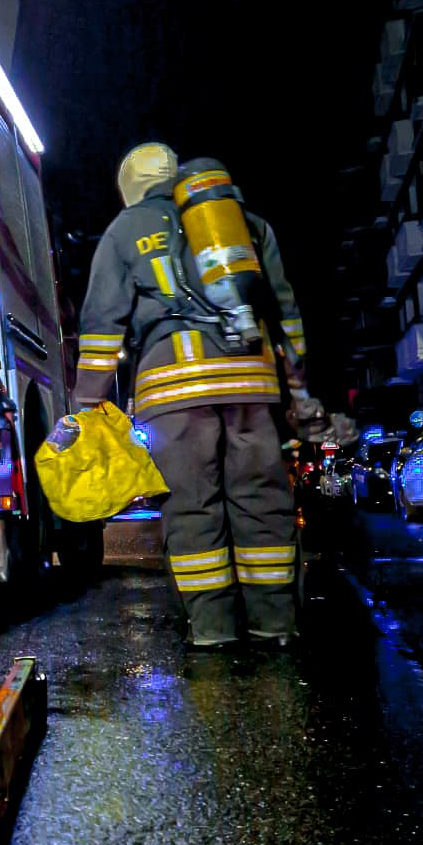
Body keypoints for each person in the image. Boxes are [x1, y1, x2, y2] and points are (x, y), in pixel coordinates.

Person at [72, 142, 310, 649]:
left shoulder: (124, 232)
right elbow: (285, 310)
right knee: (261, 500)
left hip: (173, 391)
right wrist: (297, 385)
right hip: (250, 382)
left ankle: (213, 630)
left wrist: (86, 405)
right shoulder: (244, 222)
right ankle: (274, 623)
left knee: (192, 506)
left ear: (130, 190)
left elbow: (100, 327)